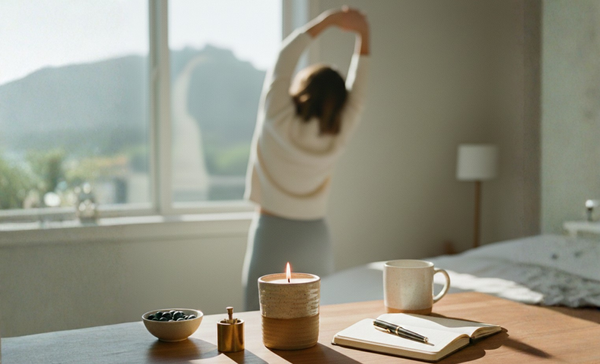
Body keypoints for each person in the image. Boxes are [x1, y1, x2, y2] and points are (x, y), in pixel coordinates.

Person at [242, 7, 370, 311]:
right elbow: (361, 89)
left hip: (270, 230)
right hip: (315, 234)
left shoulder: (277, 114)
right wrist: (364, 33)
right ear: (340, 104)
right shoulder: (339, 131)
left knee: (255, 318)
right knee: (315, 320)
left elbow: (284, 57)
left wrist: (327, 22)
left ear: (302, 89)